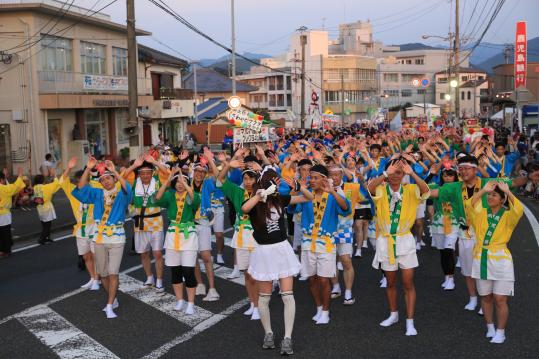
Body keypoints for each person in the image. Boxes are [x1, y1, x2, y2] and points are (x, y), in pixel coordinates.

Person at [241, 168, 312, 355]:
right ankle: (268, 333)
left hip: (281, 249)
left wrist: (298, 186)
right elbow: (244, 208)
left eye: (275, 182)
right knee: (264, 297)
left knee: (287, 295)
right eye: (271, 182)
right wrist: (260, 194)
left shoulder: (280, 199)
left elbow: (308, 197)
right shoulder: (254, 201)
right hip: (263, 252)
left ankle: (287, 338)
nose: (274, 185)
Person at [367, 158, 430, 336]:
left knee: (408, 282)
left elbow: (425, 191)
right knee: (391, 282)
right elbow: (369, 188)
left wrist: (412, 173)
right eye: (392, 172)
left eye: (399, 173)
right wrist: (386, 173)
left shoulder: (410, 189)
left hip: (405, 240)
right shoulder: (380, 188)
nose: (395, 176)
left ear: (404, 175)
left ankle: (410, 321)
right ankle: (393, 314)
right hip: (386, 242)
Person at [73, 158, 132, 319]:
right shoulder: (97, 194)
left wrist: (115, 171)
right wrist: (88, 169)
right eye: (103, 179)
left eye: (108, 178)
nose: (106, 181)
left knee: (113, 273)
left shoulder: (121, 195)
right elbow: (81, 189)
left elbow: (128, 189)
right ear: (100, 182)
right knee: (104, 274)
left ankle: (109, 304)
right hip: (99, 238)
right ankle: (114, 299)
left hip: (117, 239)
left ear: (113, 178)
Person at [467, 181, 523, 344]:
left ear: (502, 200)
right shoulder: (481, 213)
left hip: (501, 261)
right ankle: (490, 327)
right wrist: (483, 190)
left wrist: (508, 191)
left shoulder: (508, 216)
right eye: (489, 195)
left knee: (500, 298)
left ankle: (501, 331)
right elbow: (470, 205)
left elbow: (518, 210)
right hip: (481, 258)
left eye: (494, 195)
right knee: (485, 297)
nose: (490, 197)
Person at [294, 164, 350, 325]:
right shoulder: (307, 195)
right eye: (310, 177)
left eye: (315, 177)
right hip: (307, 243)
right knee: (312, 279)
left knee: (324, 280)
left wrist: (332, 191)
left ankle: (326, 311)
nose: (312, 180)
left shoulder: (333, 196)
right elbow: (292, 208)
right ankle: (319, 308)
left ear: (324, 179)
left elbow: (346, 208)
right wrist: (297, 189)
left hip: (326, 244)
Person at [217, 151, 261, 320]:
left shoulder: (261, 193)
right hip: (241, 235)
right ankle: (253, 304)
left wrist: (261, 168)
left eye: (251, 178)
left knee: (257, 273)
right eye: (246, 179)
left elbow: (275, 184)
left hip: (258, 236)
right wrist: (228, 164)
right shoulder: (237, 192)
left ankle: (258, 305)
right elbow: (220, 180)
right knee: (247, 273)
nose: (248, 182)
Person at [154, 167, 201, 315]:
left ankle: (191, 303)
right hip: (172, 235)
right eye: (178, 182)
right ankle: (180, 300)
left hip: (188, 236)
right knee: (175, 271)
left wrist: (184, 179)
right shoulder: (170, 195)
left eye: (183, 181)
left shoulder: (193, 195)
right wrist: (169, 178)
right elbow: (157, 198)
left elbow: (194, 199)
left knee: (188, 271)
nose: (180, 184)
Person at [123, 155, 169, 292]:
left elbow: (167, 173)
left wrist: (154, 162)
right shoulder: (134, 182)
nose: (144, 176)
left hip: (155, 222)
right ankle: (149, 277)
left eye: (147, 173)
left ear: (152, 173)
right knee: (143, 253)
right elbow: (122, 178)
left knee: (158, 253)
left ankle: (159, 280)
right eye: (142, 173)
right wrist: (134, 166)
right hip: (140, 223)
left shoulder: (157, 181)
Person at [60, 157, 99, 290]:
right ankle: (93, 278)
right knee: (86, 256)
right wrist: (69, 168)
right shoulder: (72, 192)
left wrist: (91, 169)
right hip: (80, 229)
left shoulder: (94, 189)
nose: (81, 185)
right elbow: (62, 181)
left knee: (96, 255)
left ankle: (98, 279)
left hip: (94, 227)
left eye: (84, 182)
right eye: (78, 183)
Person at [328, 165, 360, 305]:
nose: (335, 177)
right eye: (331, 174)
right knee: (330, 260)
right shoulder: (323, 189)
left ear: (341, 175)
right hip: (328, 229)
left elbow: (355, 180)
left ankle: (348, 292)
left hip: (345, 228)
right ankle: (335, 286)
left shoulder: (350, 187)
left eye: (337, 174)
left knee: (346, 260)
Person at [191, 154, 220, 302]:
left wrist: (209, 160)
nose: (199, 174)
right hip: (189, 224)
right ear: (193, 171)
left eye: (202, 172)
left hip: (203, 223)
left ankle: (212, 288)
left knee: (206, 257)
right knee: (193, 256)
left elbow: (219, 177)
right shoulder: (186, 183)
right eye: (197, 171)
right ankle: (200, 284)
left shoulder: (208, 184)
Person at [428, 163, 459, 291]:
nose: (447, 178)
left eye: (450, 176)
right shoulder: (436, 187)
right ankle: (447, 276)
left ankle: (451, 278)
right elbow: (423, 189)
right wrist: (431, 174)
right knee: (442, 252)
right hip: (439, 222)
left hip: (454, 221)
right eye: (445, 176)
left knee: (448, 249)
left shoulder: (459, 188)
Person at [0, 167, 25, 258]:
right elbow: (16, 186)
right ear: (2, 179)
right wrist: (20, 175)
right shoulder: (4, 189)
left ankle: (2, 250)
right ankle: (6, 250)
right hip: (4, 214)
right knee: (5, 233)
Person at [33, 171, 61, 245]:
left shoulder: (35, 187)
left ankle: (47, 237)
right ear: (42, 180)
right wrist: (54, 176)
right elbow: (56, 184)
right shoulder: (45, 187)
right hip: (47, 207)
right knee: (47, 225)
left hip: (40, 207)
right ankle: (42, 238)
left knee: (44, 223)